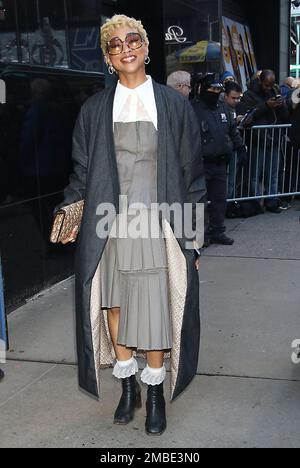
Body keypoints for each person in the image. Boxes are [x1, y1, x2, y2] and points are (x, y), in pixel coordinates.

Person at [53, 14, 206, 436]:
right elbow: (82, 171)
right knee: (114, 306)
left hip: (158, 223)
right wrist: (70, 209)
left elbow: (192, 174)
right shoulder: (95, 108)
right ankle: (127, 386)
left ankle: (153, 391)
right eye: (115, 45)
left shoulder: (173, 105)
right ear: (107, 58)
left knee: (154, 307)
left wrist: (193, 242)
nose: (125, 49)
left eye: (132, 40)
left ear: (145, 47)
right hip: (109, 222)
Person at [192, 73, 247, 246]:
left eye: (218, 89)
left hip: (221, 163)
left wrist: (240, 147)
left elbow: (232, 130)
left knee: (219, 200)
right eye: (212, 89)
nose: (215, 92)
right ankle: (203, 234)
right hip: (201, 163)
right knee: (200, 201)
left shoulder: (223, 108)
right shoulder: (192, 109)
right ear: (202, 89)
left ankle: (217, 231)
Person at [238, 69, 289, 213]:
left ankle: (272, 201)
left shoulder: (274, 92)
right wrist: (266, 106)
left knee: (273, 173)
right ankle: (255, 203)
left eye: (271, 85)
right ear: (260, 81)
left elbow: (285, 116)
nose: (268, 88)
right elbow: (248, 117)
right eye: (266, 85)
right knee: (254, 174)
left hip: (273, 139)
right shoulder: (249, 95)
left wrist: (281, 104)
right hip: (257, 140)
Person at [224, 81, 244, 200]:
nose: (236, 101)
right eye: (233, 98)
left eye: (238, 98)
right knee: (226, 179)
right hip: (224, 149)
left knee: (232, 178)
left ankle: (230, 202)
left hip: (234, 146)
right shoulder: (219, 107)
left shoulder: (238, 106)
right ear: (225, 96)